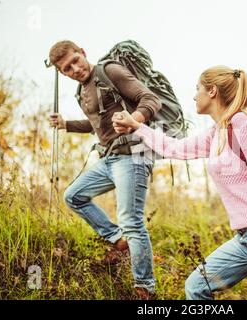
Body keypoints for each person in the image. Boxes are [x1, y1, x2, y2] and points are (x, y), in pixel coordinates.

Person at [112, 65, 247, 300]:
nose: (193, 95)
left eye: (197, 88)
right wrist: (137, 126)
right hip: (245, 240)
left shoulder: (243, 124)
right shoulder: (218, 132)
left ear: (212, 91)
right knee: (196, 287)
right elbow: (175, 148)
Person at [48, 40, 161, 299]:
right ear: (62, 73)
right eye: (67, 69)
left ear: (83, 53)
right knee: (73, 196)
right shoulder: (81, 92)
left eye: (76, 60)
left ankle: (146, 291)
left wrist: (135, 119)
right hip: (109, 159)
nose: (75, 69)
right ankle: (118, 240)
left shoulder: (110, 71)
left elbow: (150, 99)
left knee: (131, 221)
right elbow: (95, 125)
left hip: (133, 155)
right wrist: (66, 124)